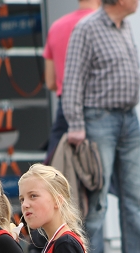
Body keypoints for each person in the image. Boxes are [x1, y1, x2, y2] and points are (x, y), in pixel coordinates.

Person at [63, 0, 140, 253]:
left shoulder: (125, 26)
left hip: (129, 118)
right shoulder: (87, 28)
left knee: (133, 195)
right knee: (98, 196)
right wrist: (76, 124)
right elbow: (72, 80)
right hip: (98, 119)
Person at [43, 0, 100, 164]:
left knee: (55, 168)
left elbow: (50, 82)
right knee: (100, 169)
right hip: (99, 107)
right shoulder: (102, 25)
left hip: (65, 108)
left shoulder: (57, 26)